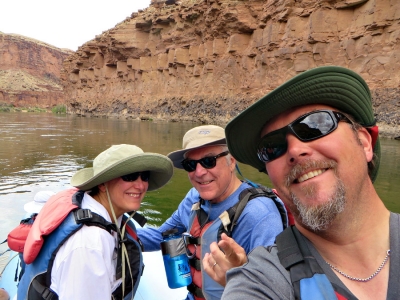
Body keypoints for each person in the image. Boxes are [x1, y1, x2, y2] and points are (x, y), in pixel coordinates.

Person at [211, 66, 399, 299]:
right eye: (273, 146)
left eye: (315, 125)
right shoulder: (260, 280)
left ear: (365, 143)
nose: (295, 150)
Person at [137, 125, 287, 300]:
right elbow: (160, 236)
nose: (199, 172)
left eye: (209, 161)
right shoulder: (193, 198)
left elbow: (272, 290)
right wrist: (116, 237)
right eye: (190, 165)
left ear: (231, 161)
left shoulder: (260, 214)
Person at [17, 144, 173, 300]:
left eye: (144, 176)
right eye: (129, 176)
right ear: (102, 184)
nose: (140, 185)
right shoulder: (89, 243)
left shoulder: (102, 212)